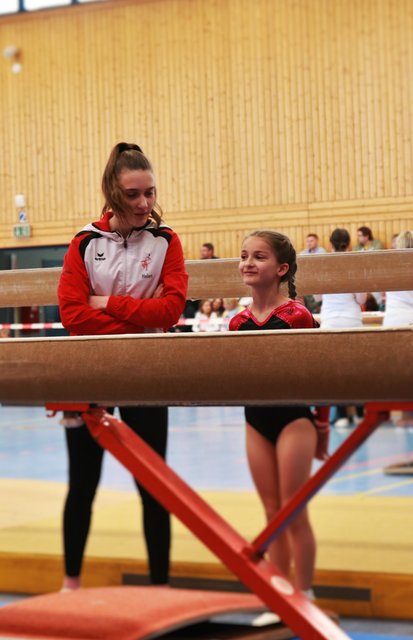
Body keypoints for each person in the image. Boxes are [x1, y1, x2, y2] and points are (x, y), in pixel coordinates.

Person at [57, 142, 188, 590]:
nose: (144, 203)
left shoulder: (166, 240)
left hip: (146, 371)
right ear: (113, 193)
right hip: (90, 372)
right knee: (83, 483)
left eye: (149, 193)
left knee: (154, 485)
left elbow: (171, 311)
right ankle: (71, 584)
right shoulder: (84, 242)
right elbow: (73, 316)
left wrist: (107, 304)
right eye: (133, 195)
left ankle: (160, 587)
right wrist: (140, 317)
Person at [229, 230, 329, 619]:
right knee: (272, 513)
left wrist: (322, 426)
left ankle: (305, 595)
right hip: (255, 420)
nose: (248, 263)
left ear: (282, 268)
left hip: (293, 420)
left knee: (292, 511)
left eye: (259, 257)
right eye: (244, 256)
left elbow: (320, 376)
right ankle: (279, 597)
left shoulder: (296, 316)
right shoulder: (237, 322)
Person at [319, 228, 366, 429]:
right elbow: (361, 299)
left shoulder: (323, 266)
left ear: (330, 244)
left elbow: (318, 297)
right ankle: (360, 413)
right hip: (351, 320)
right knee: (356, 370)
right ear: (349, 244)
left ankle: (341, 415)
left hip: (330, 321)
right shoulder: (354, 265)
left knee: (335, 372)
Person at [383, 230, 413, 427]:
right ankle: (407, 415)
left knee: (403, 374)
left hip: (394, 324)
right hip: (406, 320)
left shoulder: (390, 266)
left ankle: (406, 415)